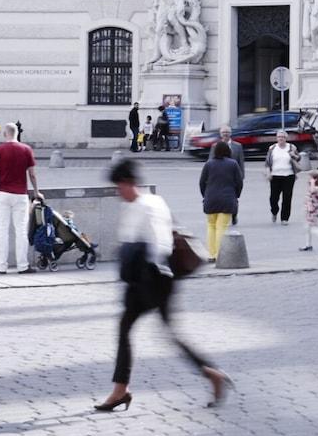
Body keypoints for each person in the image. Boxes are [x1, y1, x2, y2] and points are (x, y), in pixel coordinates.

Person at [94, 158, 228, 412]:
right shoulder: (140, 203)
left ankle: (122, 390)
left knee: (148, 332)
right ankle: (122, 389)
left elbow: (161, 242)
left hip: (153, 279)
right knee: (141, 331)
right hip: (142, 279)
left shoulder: (147, 205)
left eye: (118, 186)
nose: (117, 192)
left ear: (129, 182)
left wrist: (154, 273)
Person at [0, 122, 38, 274]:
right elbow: (32, 174)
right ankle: (23, 266)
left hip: (3, 194)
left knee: (2, 230)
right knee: (21, 231)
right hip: (21, 195)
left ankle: (1, 266)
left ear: (5, 134)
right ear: (17, 133)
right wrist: (36, 191)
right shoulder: (26, 149)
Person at [199, 139, 243, 260]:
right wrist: (236, 195)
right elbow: (239, 182)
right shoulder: (233, 164)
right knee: (221, 227)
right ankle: (219, 254)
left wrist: (205, 195)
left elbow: (202, 182)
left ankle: (211, 253)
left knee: (211, 226)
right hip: (227, 199)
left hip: (211, 199)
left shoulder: (209, 164)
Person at [266, 131, 299, 224]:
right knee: (273, 198)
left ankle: (285, 218)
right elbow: (267, 162)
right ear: (276, 138)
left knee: (287, 197)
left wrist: (294, 155)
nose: (281, 139)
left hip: (289, 175)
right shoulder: (272, 148)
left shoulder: (291, 147)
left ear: (286, 138)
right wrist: (268, 173)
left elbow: (299, 158)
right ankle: (274, 211)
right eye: (279, 137)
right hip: (275, 176)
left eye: (283, 137)